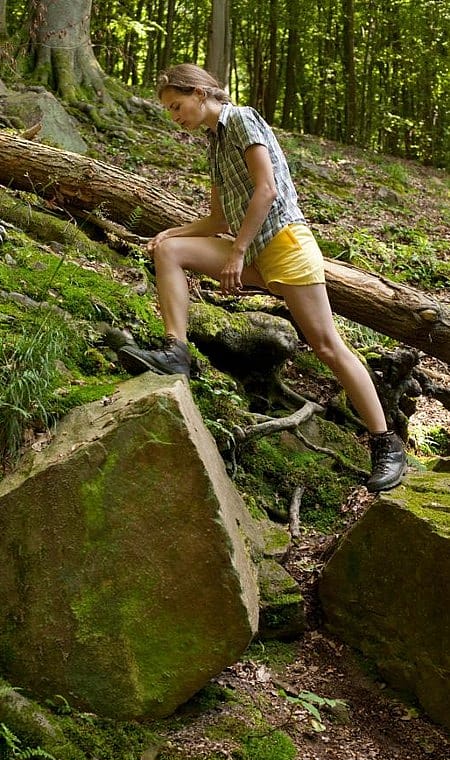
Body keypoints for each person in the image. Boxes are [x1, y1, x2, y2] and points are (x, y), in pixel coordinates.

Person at [118, 63, 406, 493]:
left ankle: (387, 445)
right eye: (169, 111)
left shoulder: (244, 119)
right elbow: (217, 217)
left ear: (200, 93)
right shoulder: (214, 144)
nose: (175, 117)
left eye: (177, 106)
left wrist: (235, 254)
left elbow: (266, 190)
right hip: (251, 250)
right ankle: (176, 351)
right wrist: (169, 233)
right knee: (169, 251)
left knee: (327, 346)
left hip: (284, 245)